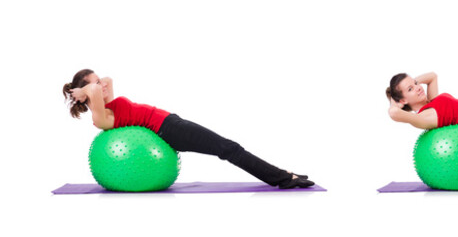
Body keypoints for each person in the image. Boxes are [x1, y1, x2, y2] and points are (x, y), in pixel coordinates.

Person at [62, 69, 314, 189]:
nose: (101, 85)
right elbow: (96, 89)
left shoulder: (109, 103)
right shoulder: (101, 117)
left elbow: (107, 80)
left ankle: (282, 174)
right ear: (86, 96)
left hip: (171, 122)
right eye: (94, 85)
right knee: (228, 148)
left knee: (227, 148)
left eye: (97, 82)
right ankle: (282, 178)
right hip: (169, 130)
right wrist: (85, 91)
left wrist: (90, 87)